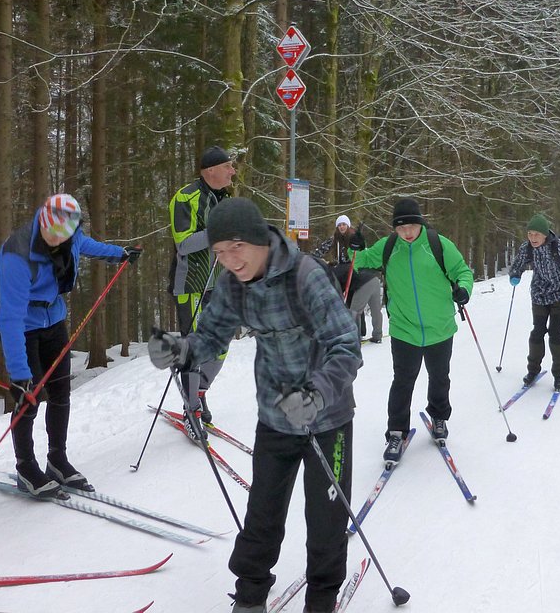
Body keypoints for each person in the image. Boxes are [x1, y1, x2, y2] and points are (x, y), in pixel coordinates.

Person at [147, 198, 361, 613]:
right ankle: (250, 594)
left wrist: (316, 394)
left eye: (236, 247)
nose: (229, 260)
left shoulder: (306, 277)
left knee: (326, 519)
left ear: (259, 239)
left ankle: (322, 598)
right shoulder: (232, 285)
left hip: (327, 418)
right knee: (262, 513)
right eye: (220, 252)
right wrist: (180, 350)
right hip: (275, 415)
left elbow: (346, 346)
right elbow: (211, 337)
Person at [0, 193, 140, 497]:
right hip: (23, 326)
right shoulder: (16, 255)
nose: (57, 240)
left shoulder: (70, 235)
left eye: (64, 235)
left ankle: (57, 459)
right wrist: (19, 375)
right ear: (43, 222)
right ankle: (25, 467)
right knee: (29, 398)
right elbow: (10, 319)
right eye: (52, 234)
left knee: (60, 392)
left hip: (53, 320)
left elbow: (87, 245)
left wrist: (119, 254)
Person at [348, 198, 473, 464]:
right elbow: (359, 261)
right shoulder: (389, 247)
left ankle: (439, 417)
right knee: (403, 381)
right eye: (401, 227)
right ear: (395, 228)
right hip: (404, 329)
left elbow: (462, 271)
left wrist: (464, 289)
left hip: (439, 327)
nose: (407, 232)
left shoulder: (438, 244)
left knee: (439, 377)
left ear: (420, 224)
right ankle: (396, 432)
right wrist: (354, 247)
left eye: (412, 226)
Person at [169, 145, 235, 425]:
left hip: (218, 283)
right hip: (191, 284)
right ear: (210, 171)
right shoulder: (186, 197)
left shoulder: (224, 199)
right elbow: (183, 243)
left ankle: (199, 391)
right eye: (227, 166)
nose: (233, 171)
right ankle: (191, 409)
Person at [508, 214, 560, 392]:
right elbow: (518, 264)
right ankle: (533, 371)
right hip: (539, 295)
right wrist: (515, 274)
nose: (533, 238)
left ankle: (559, 375)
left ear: (545, 234)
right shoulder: (527, 248)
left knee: (555, 332)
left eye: (536, 234)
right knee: (537, 332)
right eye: (530, 234)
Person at [314, 215, 383, 343]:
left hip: (355, 273)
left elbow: (362, 252)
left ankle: (359, 335)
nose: (342, 227)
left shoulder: (353, 237)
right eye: (339, 225)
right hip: (353, 274)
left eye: (344, 224)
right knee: (361, 306)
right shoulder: (334, 239)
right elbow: (322, 250)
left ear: (348, 225)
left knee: (356, 308)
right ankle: (368, 333)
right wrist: (315, 257)